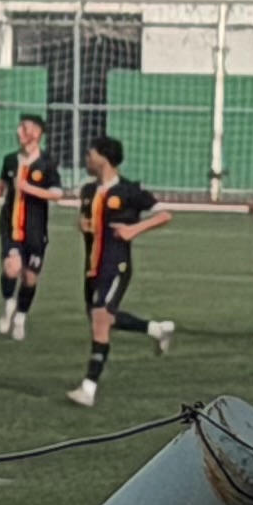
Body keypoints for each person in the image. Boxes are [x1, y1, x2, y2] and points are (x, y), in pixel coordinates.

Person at [56, 133, 174, 406]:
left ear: (103, 158)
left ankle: (88, 388)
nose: (86, 159)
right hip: (92, 266)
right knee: (102, 318)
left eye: (90, 154)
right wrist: (84, 226)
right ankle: (156, 329)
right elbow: (87, 221)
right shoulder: (88, 191)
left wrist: (134, 229)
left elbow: (164, 214)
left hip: (117, 265)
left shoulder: (128, 190)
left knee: (100, 319)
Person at [0, 113, 57, 340]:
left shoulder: (47, 163)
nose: (19, 132)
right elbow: (2, 183)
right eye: (19, 127)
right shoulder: (10, 160)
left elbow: (56, 193)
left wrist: (29, 189)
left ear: (36, 133)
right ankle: (9, 303)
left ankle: (20, 318)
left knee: (29, 278)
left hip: (35, 230)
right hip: (10, 225)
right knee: (11, 267)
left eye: (24, 128)